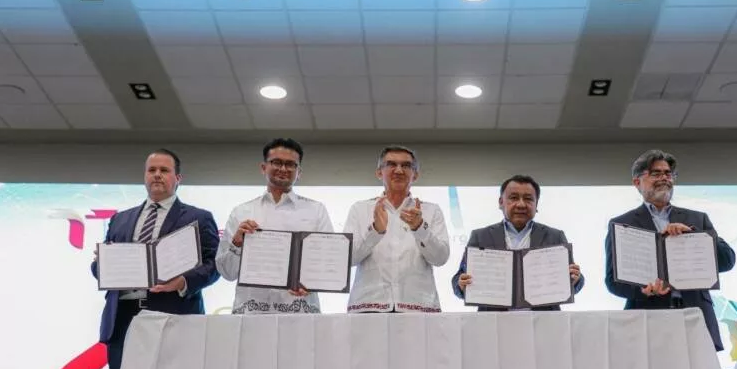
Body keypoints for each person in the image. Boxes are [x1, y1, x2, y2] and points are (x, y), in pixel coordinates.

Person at [91, 149, 220, 369]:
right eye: (152, 170)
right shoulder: (120, 219)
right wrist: (102, 264)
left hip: (174, 315)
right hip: (124, 318)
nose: (157, 175)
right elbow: (100, 271)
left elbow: (215, 265)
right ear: (145, 176)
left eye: (164, 170)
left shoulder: (199, 218)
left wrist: (183, 282)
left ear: (178, 178)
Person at [604, 150, 736, 351]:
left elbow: (727, 260)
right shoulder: (622, 224)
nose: (664, 178)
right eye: (656, 173)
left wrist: (692, 235)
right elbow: (613, 281)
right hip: (646, 320)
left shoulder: (697, 219)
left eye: (668, 173)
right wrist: (643, 290)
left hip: (696, 317)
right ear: (637, 182)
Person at [216, 138, 333, 314]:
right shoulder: (241, 212)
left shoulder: (316, 210)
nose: (283, 169)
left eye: (290, 164)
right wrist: (237, 244)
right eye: (276, 162)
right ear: (263, 167)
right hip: (252, 313)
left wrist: (313, 282)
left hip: (299, 312)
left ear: (299, 172)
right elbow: (227, 272)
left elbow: (328, 260)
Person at [451, 175, 584, 310]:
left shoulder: (555, 236)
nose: (521, 204)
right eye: (514, 198)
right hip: (493, 320)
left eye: (528, 199)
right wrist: (461, 284)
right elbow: (458, 280)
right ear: (501, 202)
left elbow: (574, 282)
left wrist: (575, 279)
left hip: (543, 320)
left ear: (536, 204)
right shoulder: (480, 236)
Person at [344, 145, 449, 313]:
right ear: (379, 173)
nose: (399, 170)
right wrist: (375, 231)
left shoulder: (431, 210)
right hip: (368, 305)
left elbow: (441, 258)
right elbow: (347, 259)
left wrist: (420, 229)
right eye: (391, 164)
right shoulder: (360, 209)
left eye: (406, 165)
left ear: (415, 175)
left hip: (419, 306)